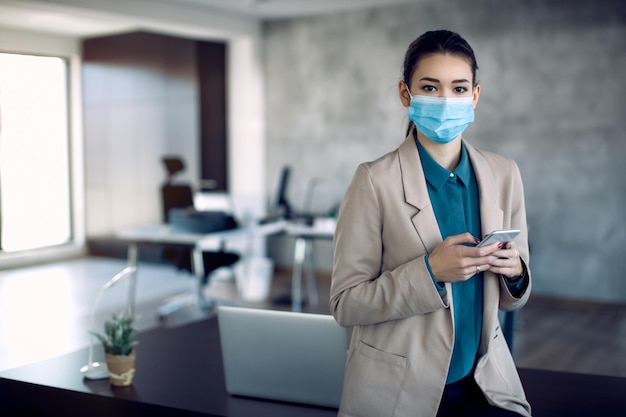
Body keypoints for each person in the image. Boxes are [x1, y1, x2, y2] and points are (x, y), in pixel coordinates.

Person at [329, 30, 532, 417]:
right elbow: (345, 304)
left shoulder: (505, 174)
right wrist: (430, 272)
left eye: (458, 89)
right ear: (406, 95)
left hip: (485, 385)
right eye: (430, 87)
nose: (445, 100)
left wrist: (516, 271)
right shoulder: (373, 181)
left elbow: (513, 298)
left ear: (474, 96)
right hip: (399, 392)